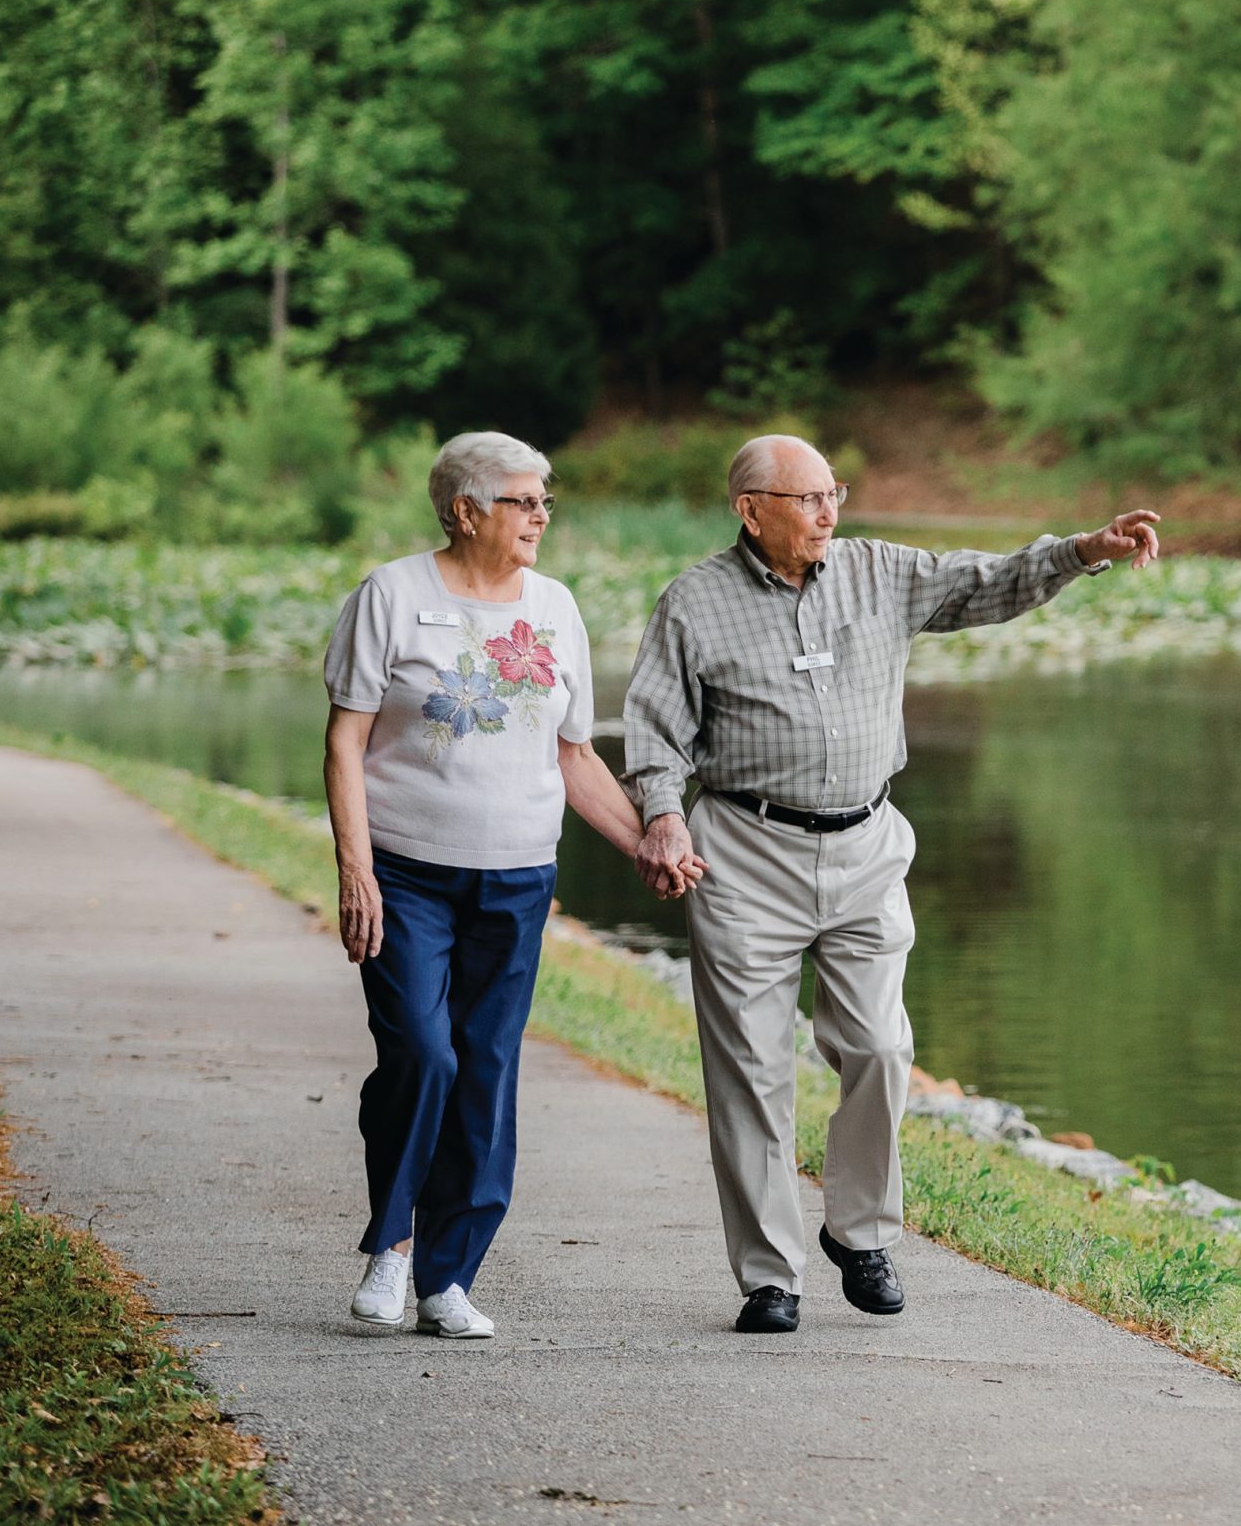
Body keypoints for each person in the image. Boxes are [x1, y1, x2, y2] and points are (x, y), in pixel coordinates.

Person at [620, 434, 1159, 1333]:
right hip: (746, 851)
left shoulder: (880, 572)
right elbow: (653, 735)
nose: (829, 511)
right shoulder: (694, 604)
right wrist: (664, 816)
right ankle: (770, 1277)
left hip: (867, 846)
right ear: (751, 509)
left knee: (879, 1045)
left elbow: (985, 583)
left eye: (835, 492)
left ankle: (859, 1229)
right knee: (752, 1069)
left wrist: (1083, 551)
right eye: (808, 498)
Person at [322, 431, 695, 1339]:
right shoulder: (393, 596)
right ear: (465, 510)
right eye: (524, 501)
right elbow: (345, 742)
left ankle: (450, 1275)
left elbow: (573, 755)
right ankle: (395, 1246)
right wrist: (356, 870)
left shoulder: (556, 606)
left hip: (518, 877)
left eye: (545, 501)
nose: (541, 516)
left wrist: (647, 838)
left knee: (485, 1069)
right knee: (423, 1052)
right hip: (406, 872)